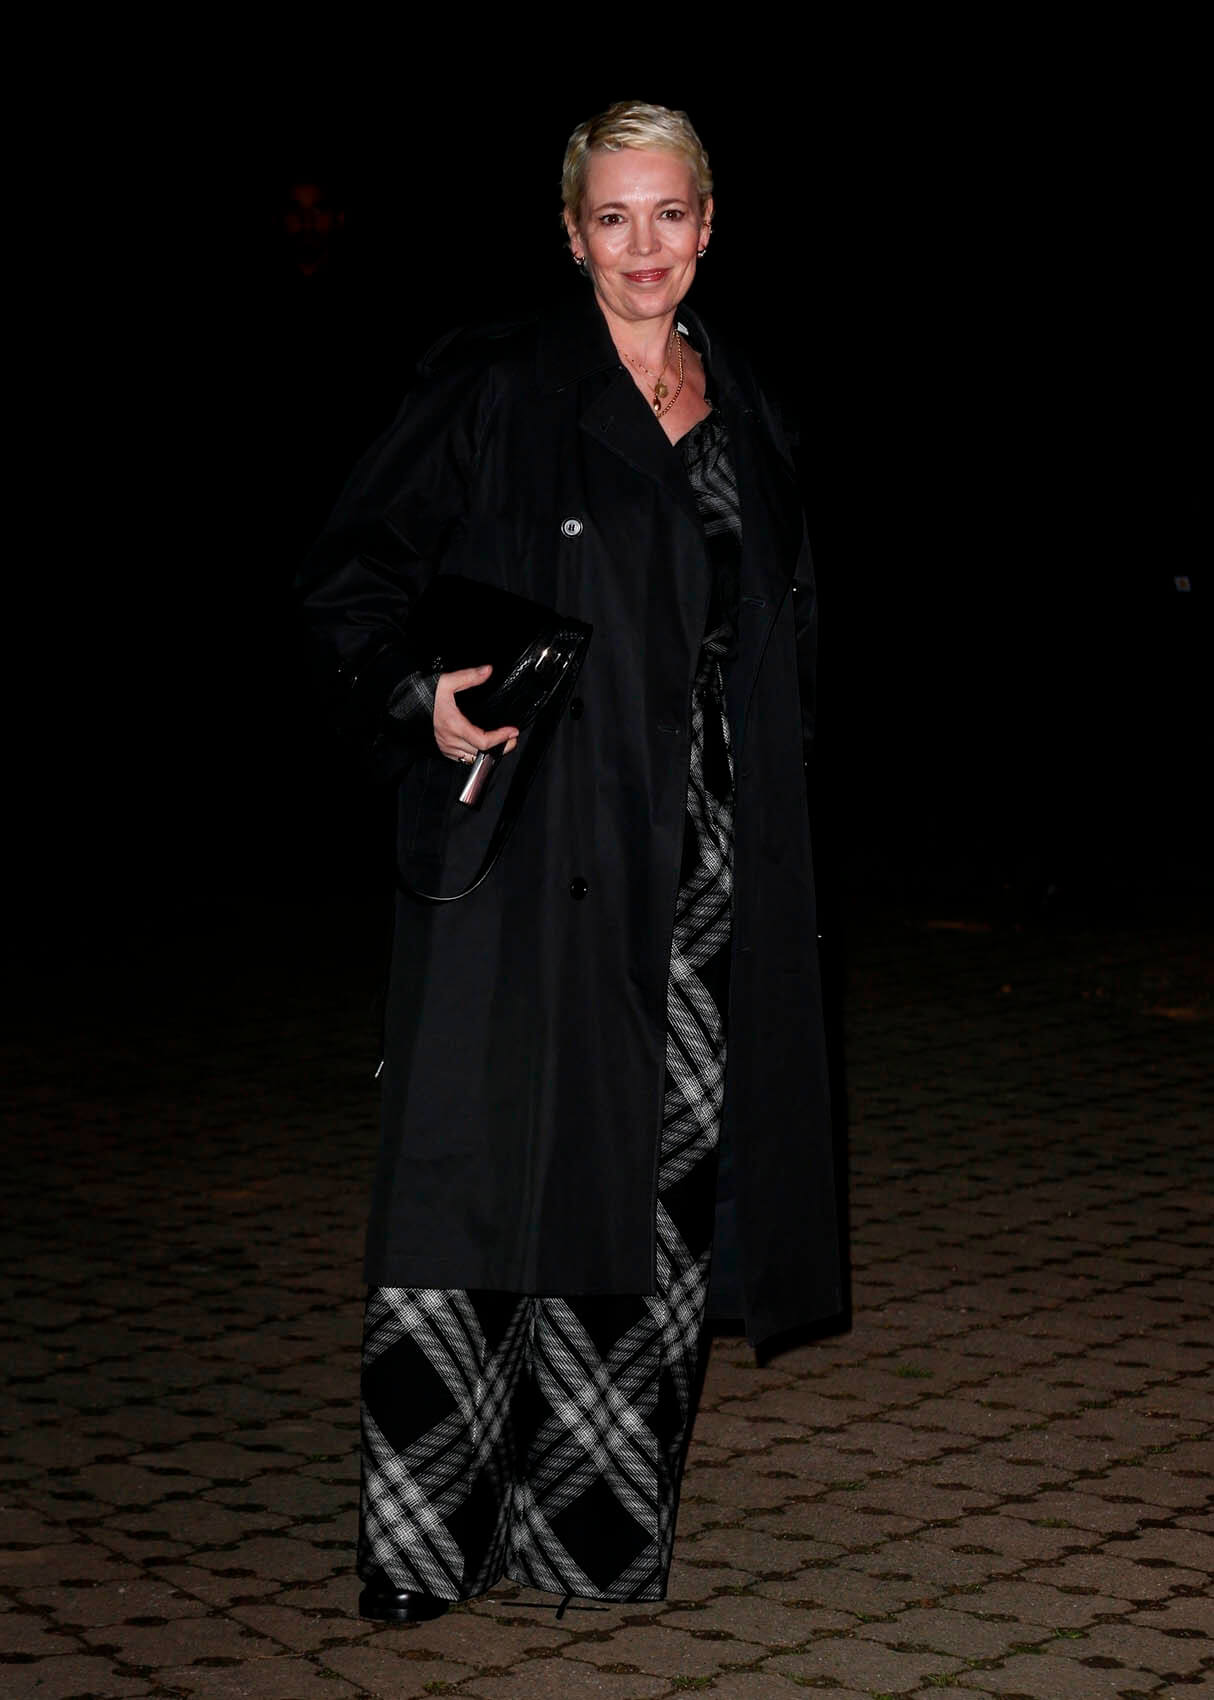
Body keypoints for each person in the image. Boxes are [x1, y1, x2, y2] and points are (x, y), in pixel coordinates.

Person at [298, 101, 842, 1624]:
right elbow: (349, 584)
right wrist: (419, 698)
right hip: (531, 848)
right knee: (483, 1183)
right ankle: (432, 1544)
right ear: (570, 233)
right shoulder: (496, 385)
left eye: (670, 214)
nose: (643, 247)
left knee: (652, 1188)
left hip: (703, 870)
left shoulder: (746, 402)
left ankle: (591, 1533)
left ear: (709, 226)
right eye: (613, 218)